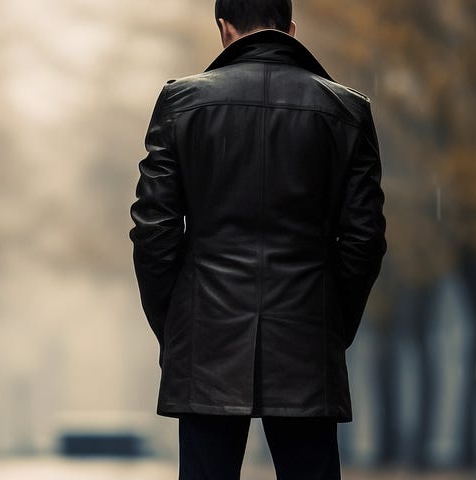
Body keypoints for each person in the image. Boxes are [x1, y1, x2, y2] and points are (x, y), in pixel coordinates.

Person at [128, 1, 386, 478]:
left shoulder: (182, 103)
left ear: (223, 29)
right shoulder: (347, 112)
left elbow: (153, 232)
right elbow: (364, 240)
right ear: (290, 29)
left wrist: (181, 324)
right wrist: (329, 322)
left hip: (207, 335)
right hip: (306, 334)